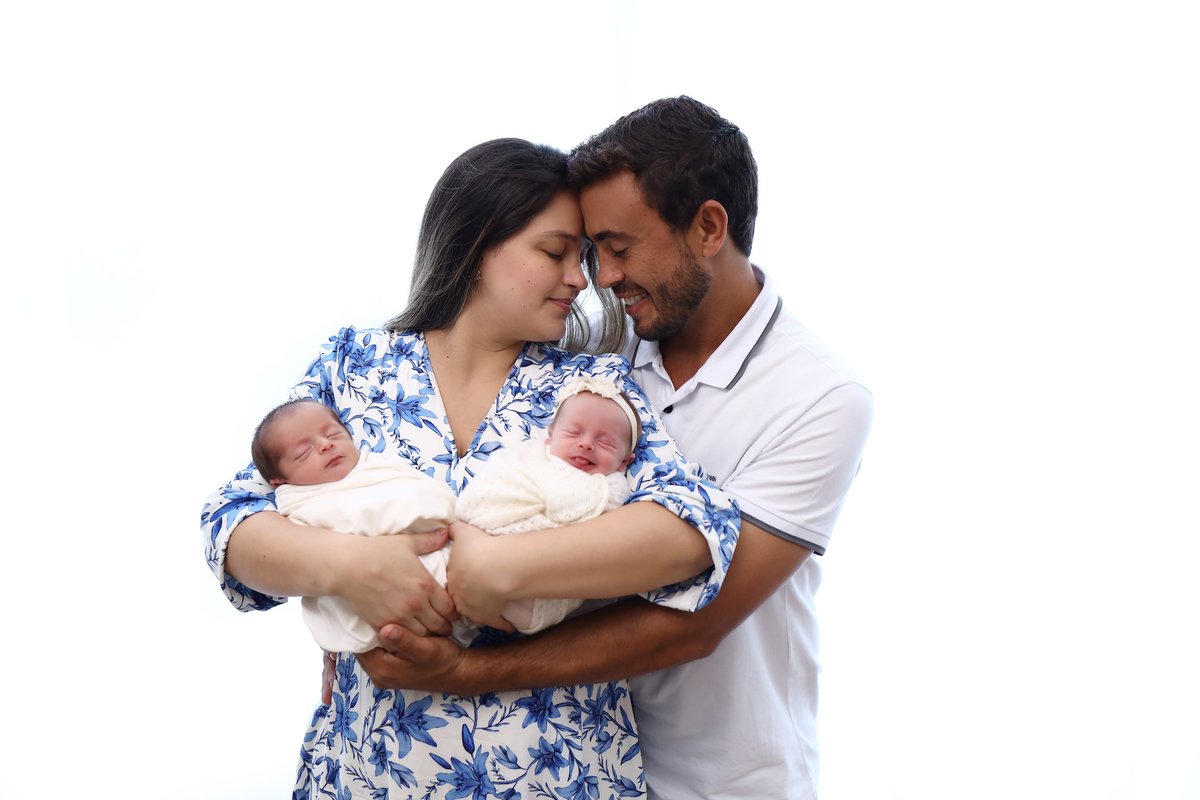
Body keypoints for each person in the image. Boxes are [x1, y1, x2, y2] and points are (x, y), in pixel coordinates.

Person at [357, 98, 874, 800]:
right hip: (580, 759)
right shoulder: (597, 354)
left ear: (709, 227)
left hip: (720, 778)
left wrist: (464, 672)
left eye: (619, 248)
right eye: (589, 253)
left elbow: (695, 624)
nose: (600, 278)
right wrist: (366, 616)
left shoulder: (820, 397)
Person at [199, 137, 741, 799]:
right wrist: (353, 568)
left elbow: (698, 527)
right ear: (477, 241)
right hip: (365, 776)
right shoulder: (355, 366)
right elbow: (232, 523)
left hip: (559, 777)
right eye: (555, 253)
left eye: (583, 258)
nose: (582, 279)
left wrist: (501, 569)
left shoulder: (590, 389)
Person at [251, 397, 457, 652]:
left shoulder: (378, 468)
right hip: (381, 620)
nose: (326, 444)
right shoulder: (300, 509)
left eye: (333, 434)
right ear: (281, 481)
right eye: (304, 452)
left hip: (455, 559)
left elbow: (420, 493)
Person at [456, 375, 641, 634]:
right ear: (550, 436)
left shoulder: (609, 489)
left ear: (624, 461)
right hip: (469, 542)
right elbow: (494, 483)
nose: (586, 444)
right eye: (573, 432)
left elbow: (595, 541)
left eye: (605, 442)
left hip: (533, 589)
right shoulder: (528, 457)